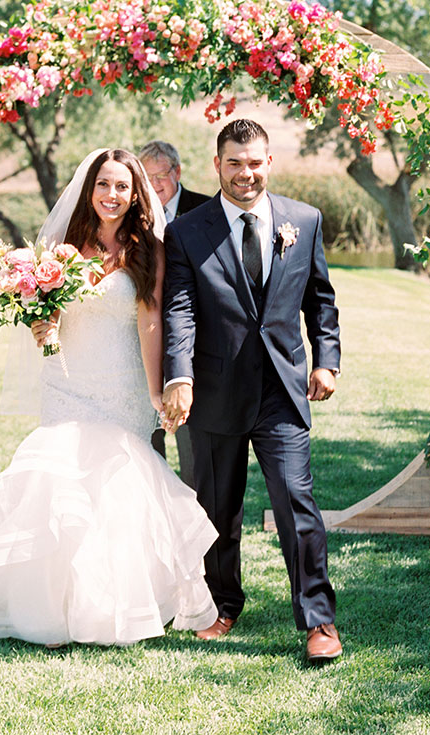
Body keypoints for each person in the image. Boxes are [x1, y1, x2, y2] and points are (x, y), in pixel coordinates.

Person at [0, 148, 219, 647]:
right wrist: (38, 320)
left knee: (114, 488)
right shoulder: (61, 248)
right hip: (66, 379)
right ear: (88, 190)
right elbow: (40, 313)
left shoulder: (149, 250)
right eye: (103, 185)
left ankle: (106, 607)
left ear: (136, 193)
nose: (112, 195)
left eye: (121, 186)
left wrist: (158, 389)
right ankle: (50, 611)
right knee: (58, 483)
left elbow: (150, 319)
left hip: (120, 382)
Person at [161, 118, 342, 663]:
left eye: (255, 161)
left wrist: (326, 361)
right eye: (235, 162)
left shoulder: (303, 221)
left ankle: (318, 620)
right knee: (217, 510)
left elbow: (321, 300)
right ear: (217, 165)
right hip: (213, 393)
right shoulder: (188, 231)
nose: (246, 173)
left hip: (282, 393)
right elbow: (179, 309)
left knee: (297, 504)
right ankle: (222, 604)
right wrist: (180, 375)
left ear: (270, 162)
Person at [138, 139, 210, 486]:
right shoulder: (132, 215)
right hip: (142, 343)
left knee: (194, 444)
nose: (153, 186)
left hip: (194, 345)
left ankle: (198, 519)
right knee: (147, 446)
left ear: (177, 173)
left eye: (160, 176)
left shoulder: (207, 211)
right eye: (145, 177)